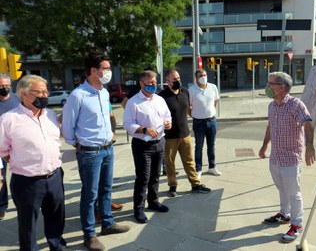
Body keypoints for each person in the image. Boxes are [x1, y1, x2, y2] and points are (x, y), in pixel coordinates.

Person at [62, 53, 129, 251]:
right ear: (93, 70)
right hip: (90, 152)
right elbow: (67, 128)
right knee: (90, 194)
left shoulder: (104, 92)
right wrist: (80, 145)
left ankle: (107, 223)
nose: (109, 72)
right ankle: (89, 234)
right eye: (106, 68)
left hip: (108, 149)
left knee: (106, 189)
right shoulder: (77, 95)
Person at [0, 75, 68, 250]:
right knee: (28, 224)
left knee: (56, 217)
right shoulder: (9, 119)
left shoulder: (50, 115)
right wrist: (24, 162)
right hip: (27, 181)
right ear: (24, 93)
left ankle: (56, 245)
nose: (45, 96)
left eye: (46, 92)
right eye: (40, 92)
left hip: (54, 177)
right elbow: (3, 151)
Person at [258, 72, 315, 243]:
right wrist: (264, 145)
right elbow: (270, 126)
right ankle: (284, 214)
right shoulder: (272, 106)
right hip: (275, 157)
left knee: (293, 192)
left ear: (281, 87)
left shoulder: (295, 105)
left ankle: (297, 224)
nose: (267, 86)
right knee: (282, 188)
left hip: (291, 158)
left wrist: (310, 146)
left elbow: (307, 123)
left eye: (270, 83)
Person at [123, 70, 171, 224]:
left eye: (155, 82)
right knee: (143, 177)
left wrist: (169, 122)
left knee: (156, 175)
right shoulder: (133, 102)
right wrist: (144, 129)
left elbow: (167, 115)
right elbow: (127, 124)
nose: (153, 85)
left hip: (160, 141)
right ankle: (138, 208)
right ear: (141, 84)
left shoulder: (159, 99)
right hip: (142, 144)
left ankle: (153, 201)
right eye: (150, 83)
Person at [159, 69, 211, 197]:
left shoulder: (185, 92)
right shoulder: (162, 96)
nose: (177, 80)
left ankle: (195, 184)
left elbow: (189, 109)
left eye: (178, 78)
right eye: (174, 79)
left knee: (189, 161)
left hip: (185, 134)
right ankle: (172, 185)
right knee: (170, 163)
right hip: (169, 136)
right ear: (167, 82)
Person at [189, 69, 221, 178]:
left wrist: (212, 111)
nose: (203, 77)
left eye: (205, 75)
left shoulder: (213, 87)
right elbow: (188, 106)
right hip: (198, 122)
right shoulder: (192, 90)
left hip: (211, 121)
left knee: (211, 146)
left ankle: (212, 167)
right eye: (200, 75)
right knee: (199, 146)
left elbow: (215, 101)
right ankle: (198, 169)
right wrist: (194, 114)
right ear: (196, 78)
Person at [0, 74, 20, 220]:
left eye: (7, 85)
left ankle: (21, 201)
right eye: (1, 86)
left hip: (17, 144)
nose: (5, 88)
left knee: (21, 174)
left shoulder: (17, 99)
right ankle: (2, 206)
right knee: (1, 177)